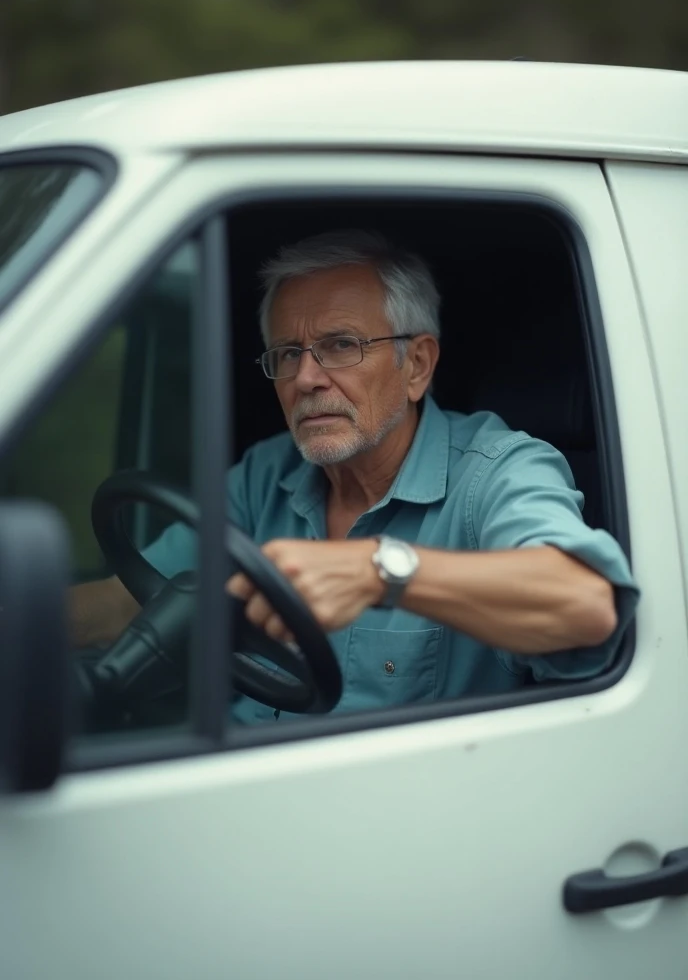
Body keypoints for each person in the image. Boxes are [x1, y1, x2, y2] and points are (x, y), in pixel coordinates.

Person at [71, 229, 639, 724]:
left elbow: (587, 604)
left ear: (416, 365)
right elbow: (132, 600)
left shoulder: (496, 471)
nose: (307, 378)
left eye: (341, 345)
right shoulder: (266, 473)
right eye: (288, 354)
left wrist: (379, 572)